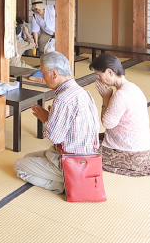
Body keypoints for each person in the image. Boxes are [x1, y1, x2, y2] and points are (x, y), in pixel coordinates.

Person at [14, 51, 99, 193]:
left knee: (20, 166)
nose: (42, 78)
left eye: (43, 74)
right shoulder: (82, 92)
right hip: (88, 157)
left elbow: (55, 137)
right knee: (28, 158)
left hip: (71, 161)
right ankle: (67, 178)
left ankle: (65, 184)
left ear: (54, 73)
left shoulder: (62, 99)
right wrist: (52, 118)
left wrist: (46, 119)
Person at [91, 54, 150, 177]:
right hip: (143, 151)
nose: (99, 79)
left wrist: (106, 99)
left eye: (99, 75)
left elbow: (107, 124)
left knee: (82, 149)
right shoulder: (133, 88)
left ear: (109, 72)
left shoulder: (121, 95)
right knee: (90, 138)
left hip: (130, 154)